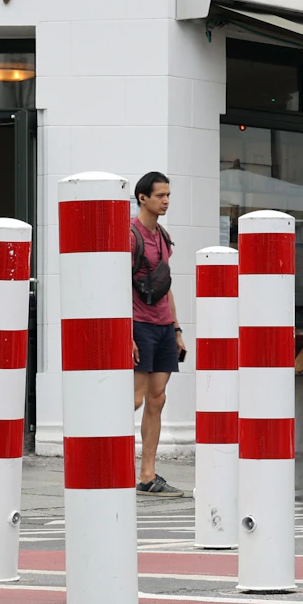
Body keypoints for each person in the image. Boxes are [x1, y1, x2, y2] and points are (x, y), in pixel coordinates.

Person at [130, 171, 184, 494]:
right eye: (160, 196)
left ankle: (147, 474)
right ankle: (109, 459)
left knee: (157, 398)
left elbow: (167, 286)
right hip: (140, 324)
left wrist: (176, 329)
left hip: (163, 326)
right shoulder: (131, 234)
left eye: (168, 195)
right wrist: (127, 334)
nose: (165, 201)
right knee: (134, 398)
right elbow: (119, 285)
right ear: (142, 198)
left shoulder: (162, 236)